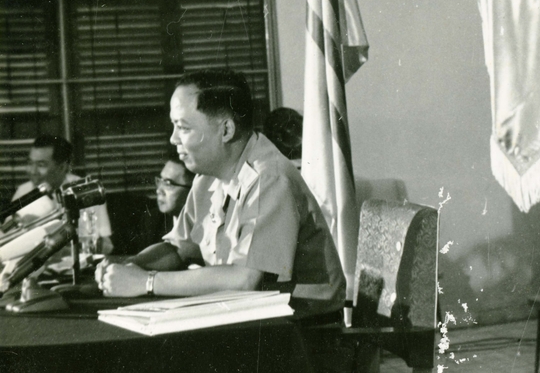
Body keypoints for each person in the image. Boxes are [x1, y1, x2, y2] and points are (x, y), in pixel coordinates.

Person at [96, 68, 345, 305]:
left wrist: (147, 282)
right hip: (250, 317)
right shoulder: (208, 175)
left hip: (304, 327)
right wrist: (132, 266)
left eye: (183, 127)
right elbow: (178, 248)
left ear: (226, 129)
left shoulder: (270, 179)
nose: (173, 139)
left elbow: (244, 279)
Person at [11, 134, 113, 254]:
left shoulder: (86, 191)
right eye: (30, 163)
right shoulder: (24, 191)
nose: (32, 171)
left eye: (41, 165)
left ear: (62, 167)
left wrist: (65, 244)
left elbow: (107, 247)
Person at [154, 150, 195, 221]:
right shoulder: (152, 222)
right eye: (160, 181)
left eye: (168, 183)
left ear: (191, 189)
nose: (158, 191)